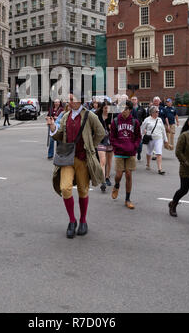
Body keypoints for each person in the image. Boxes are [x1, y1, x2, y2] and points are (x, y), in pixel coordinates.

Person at [46, 93, 105, 239]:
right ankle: (72, 220)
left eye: (71, 99)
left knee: (83, 190)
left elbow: (100, 132)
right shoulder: (66, 116)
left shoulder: (90, 116)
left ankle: (83, 220)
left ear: (80, 100)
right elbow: (59, 135)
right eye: (68, 99)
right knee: (65, 188)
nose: (69, 101)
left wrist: (91, 147)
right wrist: (53, 126)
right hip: (67, 158)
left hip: (82, 159)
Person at [110, 101, 141, 209]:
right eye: (122, 108)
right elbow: (112, 137)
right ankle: (116, 185)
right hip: (119, 152)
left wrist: (134, 146)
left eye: (126, 108)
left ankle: (127, 199)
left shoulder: (135, 122)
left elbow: (138, 137)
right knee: (118, 175)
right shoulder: (115, 121)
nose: (124, 111)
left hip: (130, 152)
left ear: (130, 110)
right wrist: (117, 146)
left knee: (128, 174)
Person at [141, 105, 168, 175]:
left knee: (159, 153)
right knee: (149, 152)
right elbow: (142, 128)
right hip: (150, 138)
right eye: (156, 112)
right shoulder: (147, 120)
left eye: (158, 112)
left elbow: (163, 130)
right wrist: (142, 137)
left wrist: (165, 139)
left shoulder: (159, 120)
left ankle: (160, 168)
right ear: (152, 112)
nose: (158, 113)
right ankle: (148, 164)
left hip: (159, 138)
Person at [96, 102, 114, 192]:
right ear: (102, 108)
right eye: (105, 108)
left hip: (110, 141)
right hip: (101, 141)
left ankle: (107, 177)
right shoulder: (97, 117)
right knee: (102, 161)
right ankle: (103, 181)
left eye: (108, 108)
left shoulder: (112, 117)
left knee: (109, 161)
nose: (107, 110)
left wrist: (112, 128)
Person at [131, 96, 147, 161]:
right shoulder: (129, 108)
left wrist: (145, 127)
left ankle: (139, 152)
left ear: (137, 100)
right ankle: (133, 153)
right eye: (132, 99)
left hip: (139, 127)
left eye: (135, 99)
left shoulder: (141, 108)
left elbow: (145, 118)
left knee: (140, 142)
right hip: (131, 127)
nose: (133, 101)